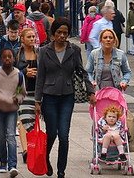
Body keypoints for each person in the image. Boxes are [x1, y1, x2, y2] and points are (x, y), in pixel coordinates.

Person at [35, 18, 94, 178]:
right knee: (52, 133)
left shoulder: (74, 50)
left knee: (64, 135)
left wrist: (90, 91)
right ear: (53, 34)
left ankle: (61, 171)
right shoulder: (44, 51)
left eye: (65, 33)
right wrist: (37, 100)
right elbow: (40, 77)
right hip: (49, 97)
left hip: (67, 96)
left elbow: (82, 72)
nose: (62, 36)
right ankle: (46, 158)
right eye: (59, 33)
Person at [0, 48, 25, 177]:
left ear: (14, 59)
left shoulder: (19, 75)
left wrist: (18, 99)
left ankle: (12, 165)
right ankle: (3, 163)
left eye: (10, 57)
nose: (7, 59)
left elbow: (22, 92)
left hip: (12, 110)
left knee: (10, 136)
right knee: (0, 137)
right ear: (1, 59)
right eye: (5, 57)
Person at [16, 27, 39, 165]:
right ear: (22, 39)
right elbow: (10, 71)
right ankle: (26, 151)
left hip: (37, 92)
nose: (32, 39)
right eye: (29, 37)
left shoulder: (40, 53)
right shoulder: (17, 54)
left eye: (33, 37)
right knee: (24, 120)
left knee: (34, 121)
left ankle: (33, 147)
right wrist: (24, 71)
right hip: (23, 92)